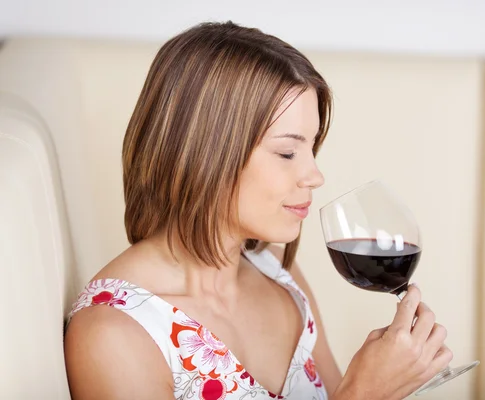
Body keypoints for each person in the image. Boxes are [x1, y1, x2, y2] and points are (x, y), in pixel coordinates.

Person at [63, 21, 453, 400]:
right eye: (287, 152)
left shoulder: (277, 270)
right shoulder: (115, 334)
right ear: (206, 154)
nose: (315, 176)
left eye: (310, 147)